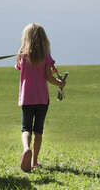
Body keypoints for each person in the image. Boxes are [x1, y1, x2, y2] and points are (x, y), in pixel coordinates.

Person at [15, 23, 66, 172]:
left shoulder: (22, 56)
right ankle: (34, 161)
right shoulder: (46, 56)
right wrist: (60, 83)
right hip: (42, 99)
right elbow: (49, 77)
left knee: (26, 128)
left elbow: (20, 69)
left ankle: (26, 149)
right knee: (38, 130)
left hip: (27, 98)